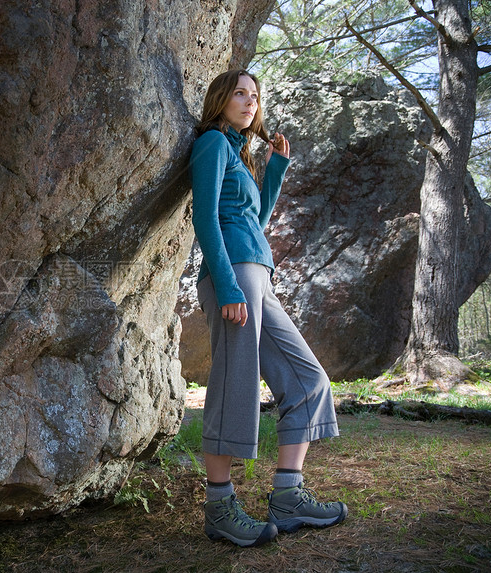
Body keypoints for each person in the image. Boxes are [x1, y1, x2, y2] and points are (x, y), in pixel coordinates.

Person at [190, 69, 347, 548]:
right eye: (240, 93)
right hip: (234, 275)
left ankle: (287, 496)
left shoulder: (240, 154)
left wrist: (274, 170)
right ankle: (219, 507)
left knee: (308, 380)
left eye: (255, 96)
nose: (249, 102)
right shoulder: (213, 144)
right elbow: (205, 217)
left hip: (259, 273)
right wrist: (228, 286)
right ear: (220, 99)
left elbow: (254, 222)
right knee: (234, 384)